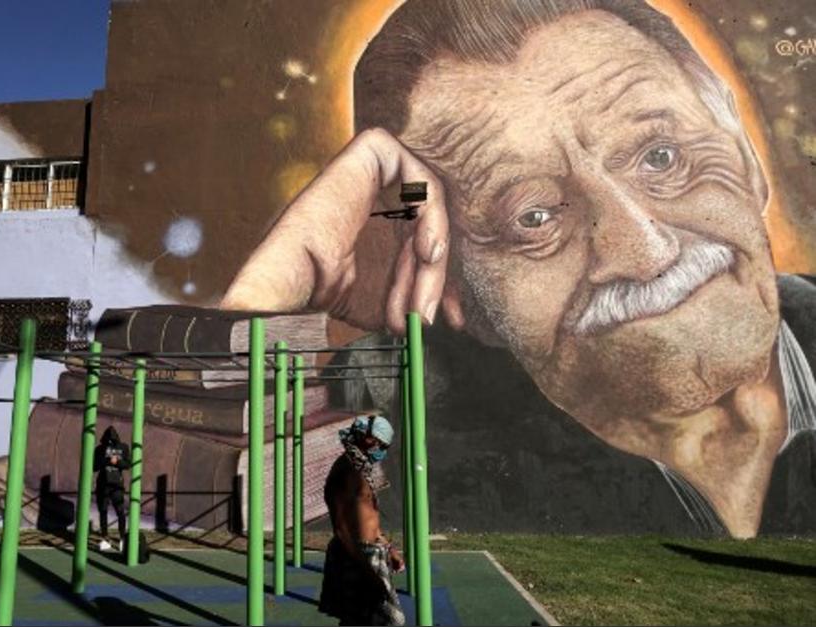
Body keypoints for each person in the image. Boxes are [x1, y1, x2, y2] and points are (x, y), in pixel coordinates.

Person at [222, 0, 816, 538]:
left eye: (662, 157)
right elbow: (200, 523)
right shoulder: (387, 411)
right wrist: (280, 279)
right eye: (533, 217)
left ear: (745, 155)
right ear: (453, 289)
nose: (647, 251)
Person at [319, 415, 405, 626]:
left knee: (361, 619)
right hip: (357, 556)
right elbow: (342, 528)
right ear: (366, 437)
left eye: (385, 447)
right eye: (380, 444)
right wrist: (367, 571)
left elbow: (368, 520)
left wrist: (389, 549)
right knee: (388, 619)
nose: (381, 450)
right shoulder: (346, 470)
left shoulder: (360, 469)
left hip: (370, 554)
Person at [94, 426, 131, 552]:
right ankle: (105, 538)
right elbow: (94, 466)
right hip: (102, 485)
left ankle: (122, 539)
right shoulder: (99, 449)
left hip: (116, 485)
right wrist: (106, 460)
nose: (110, 439)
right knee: (103, 511)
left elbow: (128, 464)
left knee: (120, 511)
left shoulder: (123, 447)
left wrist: (117, 462)